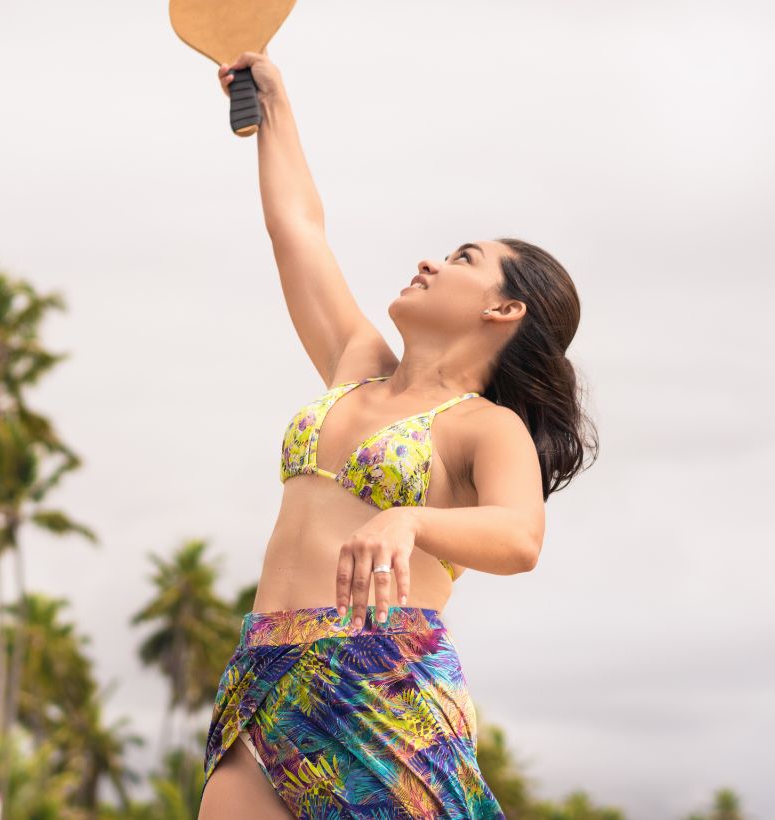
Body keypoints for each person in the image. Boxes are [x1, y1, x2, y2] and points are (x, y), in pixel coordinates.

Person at [197, 50, 598, 820]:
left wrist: (409, 518)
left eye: (462, 260)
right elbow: (298, 232)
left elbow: (520, 537)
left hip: (382, 688)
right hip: (262, 674)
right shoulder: (356, 366)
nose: (430, 261)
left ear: (504, 311)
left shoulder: (485, 426)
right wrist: (274, 106)